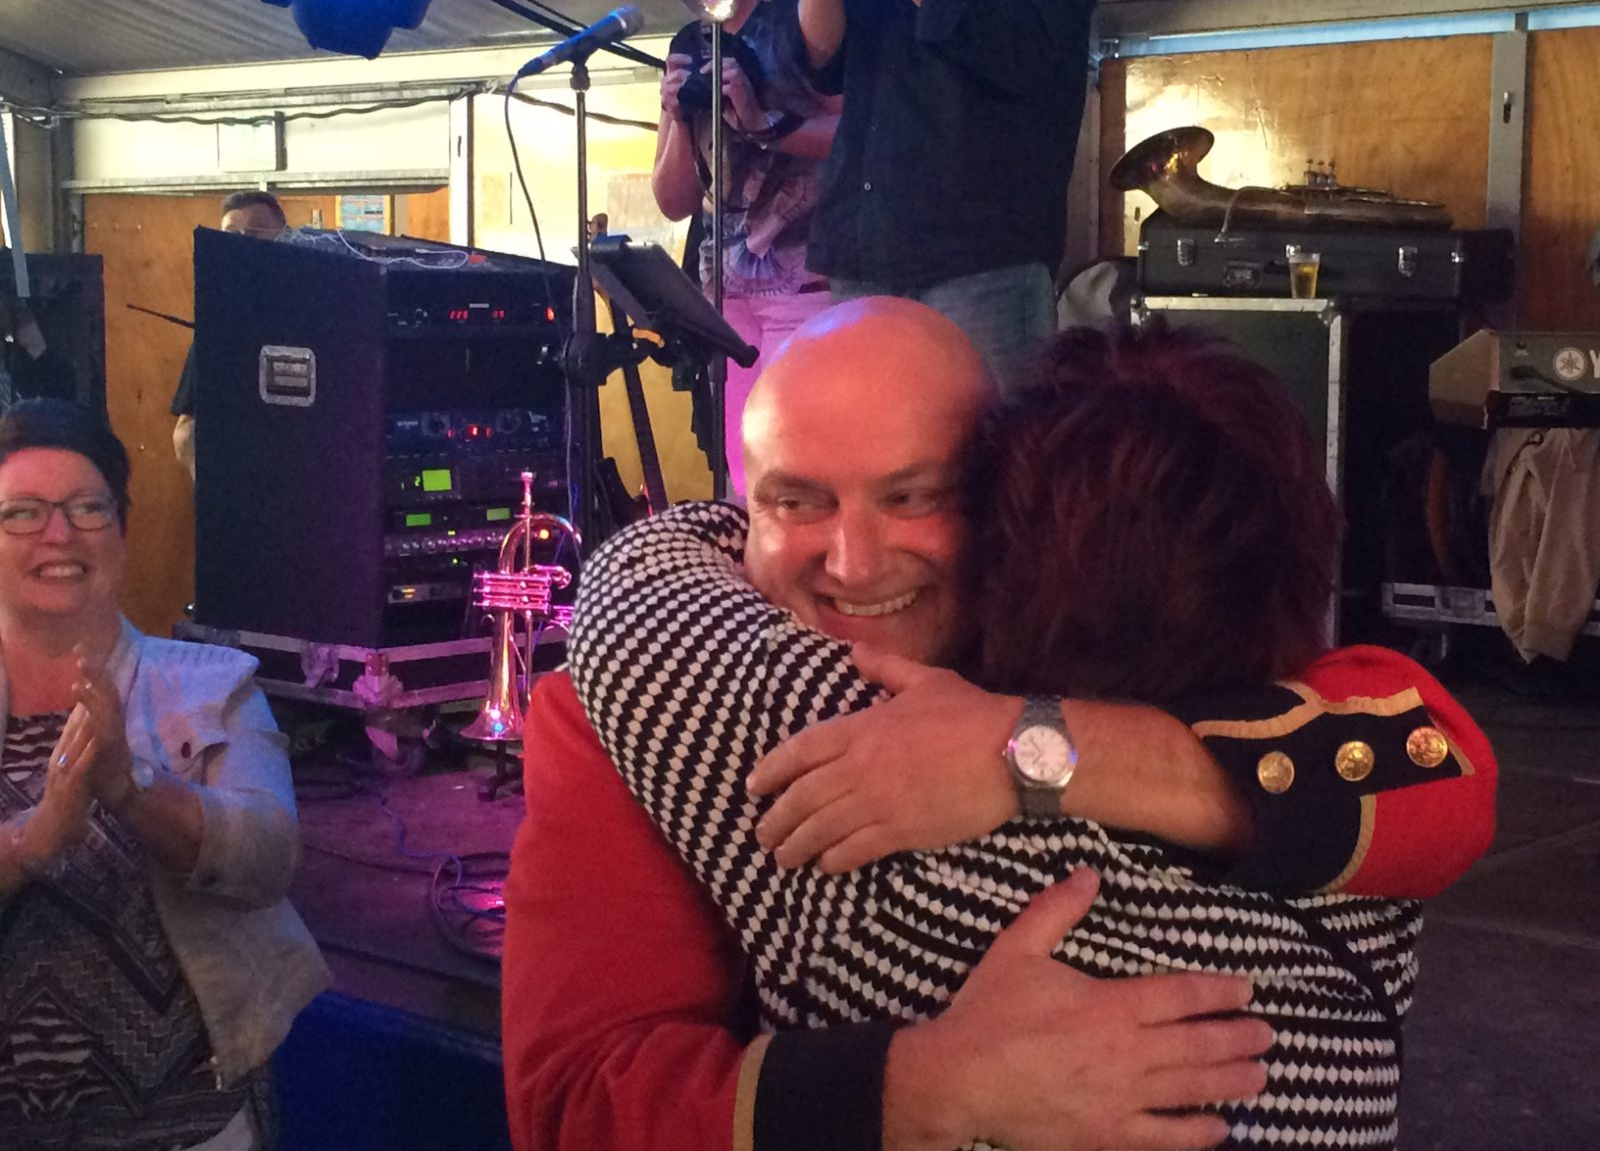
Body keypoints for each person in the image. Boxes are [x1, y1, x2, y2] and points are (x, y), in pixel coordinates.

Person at [502, 300, 1496, 1151]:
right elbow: (572, 1107)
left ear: (1004, 498)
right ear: (741, 505)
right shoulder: (625, 709)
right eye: (793, 502)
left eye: (914, 496)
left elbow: (1447, 776)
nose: (853, 563)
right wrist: (914, 1090)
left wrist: (1027, 749)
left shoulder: (1136, 636)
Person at [0, 400, 328, 1151]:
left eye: (87, 507)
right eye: (22, 513)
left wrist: (131, 787)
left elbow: (269, 855)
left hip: (191, 1126)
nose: (59, 534)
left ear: (122, 527)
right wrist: (33, 840)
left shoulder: (215, 682)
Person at [794, 0, 1103, 378]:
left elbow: (1021, 50)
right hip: (864, 247)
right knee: (867, 422)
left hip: (982, 255)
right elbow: (822, 61)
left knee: (988, 421)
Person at [645, 0, 842, 495]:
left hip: (801, 277)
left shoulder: (796, 15)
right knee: (743, 473)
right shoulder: (689, 42)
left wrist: (760, 121)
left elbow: (855, 131)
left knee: (799, 463)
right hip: (726, 291)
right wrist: (678, 116)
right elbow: (672, 200)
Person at [171, 192, 288, 479]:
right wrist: (215, 486)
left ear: (285, 236)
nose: (245, 241)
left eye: (257, 229)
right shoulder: (218, 325)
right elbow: (185, 430)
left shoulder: (321, 309)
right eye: (232, 234)